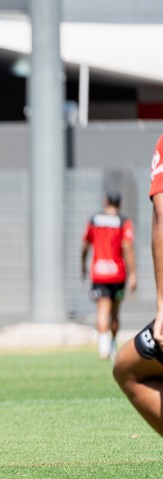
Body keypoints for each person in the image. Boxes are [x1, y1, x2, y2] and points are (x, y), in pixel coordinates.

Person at [113, 137, 163, 437]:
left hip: (105, 273)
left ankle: (102, 344)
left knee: (126, 368)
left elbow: (161, 216)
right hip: (115, 273)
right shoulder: (120, 223)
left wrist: (162, 304)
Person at [81, 191, 136, 360]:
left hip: (99, 272)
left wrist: (82, 264)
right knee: (115, 312)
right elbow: (127, 247)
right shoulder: (123, 221)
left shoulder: (94, 220)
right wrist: (133, 273)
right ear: (119, 203)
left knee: (102, 310)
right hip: (118, 273)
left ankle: (103, 348)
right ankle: (111, 344)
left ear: (105, 201)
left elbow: (85, 244)